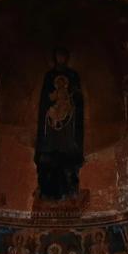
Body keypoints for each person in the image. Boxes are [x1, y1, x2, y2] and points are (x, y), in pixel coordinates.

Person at [35, 48, 85, 201]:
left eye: (63, 55)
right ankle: (46, 190)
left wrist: (71, 99)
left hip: (68, 122)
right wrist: (53, 102)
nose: (61, 58)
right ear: (55, 57)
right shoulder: (49, 76)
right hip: (52, 124)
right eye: (58, 55)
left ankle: (70, 190)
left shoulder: (73, 76)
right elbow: (45, 99)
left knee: (67, 153)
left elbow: (78, 99)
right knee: (50, 155)